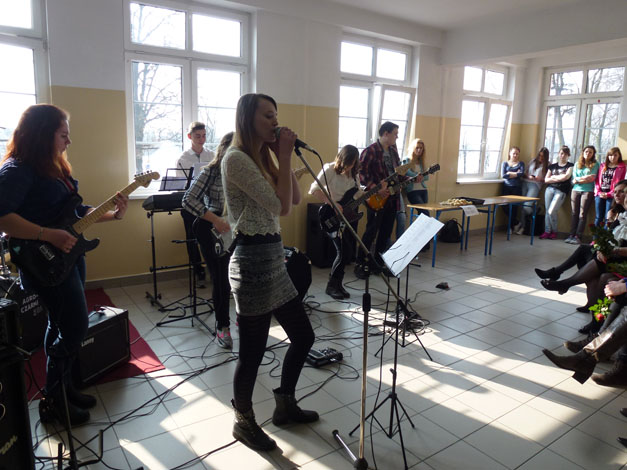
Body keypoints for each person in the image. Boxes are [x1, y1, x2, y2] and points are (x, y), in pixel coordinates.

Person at [0, 104, 129, 425]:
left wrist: (113, 214)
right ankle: (53, 400)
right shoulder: (17, 169)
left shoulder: (54, 168)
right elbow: (3, 218)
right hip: (42, 262)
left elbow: (75, 212)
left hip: (68, 256)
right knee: (75, 327)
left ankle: (63, 388)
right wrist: (48, 235)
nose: (69, 141)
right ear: (43, 134)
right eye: (63, 134)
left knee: (59, 325)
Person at [221, 93, 318, 452]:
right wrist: (285, 154)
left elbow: (294, 200)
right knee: (252, 354)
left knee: (303, 337)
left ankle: (285, 403)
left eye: (275, 115)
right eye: (267, 116)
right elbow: (279, 206)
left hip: (273, 262)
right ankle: (243, 422)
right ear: (248, 119)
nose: (275, 122)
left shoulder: (262, 157)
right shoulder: (236, 159)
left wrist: (280, 156)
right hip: (251, 266)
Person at [182, 132, 234, 349]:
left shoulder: (245, 172)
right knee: (221, 279)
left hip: (234, 228)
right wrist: (215, 220)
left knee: (238, 277)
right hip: (211, 228)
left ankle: (244, 319)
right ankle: (223, 327)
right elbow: (188, 199)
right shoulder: (211, 171)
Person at [309, 145, 361, 299]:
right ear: (341, 159)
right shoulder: (330, 169)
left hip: (347, 217)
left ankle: (337, 284)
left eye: (352, 163)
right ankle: (331, 286)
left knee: (348, 252)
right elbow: (313, 189)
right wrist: (332, 203)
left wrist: (377, 192)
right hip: (330, 215)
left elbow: (358, 194)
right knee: (343, 250)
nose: (349, 166)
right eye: (347, 162)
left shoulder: (355, 175)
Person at [354, 121, 404, 279]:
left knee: (385, 233)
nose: (397, 137)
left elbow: (397, 173)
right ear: (385, 133)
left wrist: (410, 179)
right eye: (395, 134)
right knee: (371, 231)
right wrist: (376, 188)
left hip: (392, 198)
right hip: (376, 199)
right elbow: (361, 174)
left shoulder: (394, 151)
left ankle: (377, 264)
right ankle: (361, 264)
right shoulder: (370, 151)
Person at [177, 122, 215, 288]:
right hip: (191, 203)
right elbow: (181, 185)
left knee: (211, 238)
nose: (201, 139)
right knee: (192, 239)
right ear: (190, 137)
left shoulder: (212, 155)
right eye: (198, 136)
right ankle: (198, 271)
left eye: (204, 135)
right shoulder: (183, 159)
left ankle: (214, 269)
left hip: (209, 203)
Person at [397, 138, 427, 244]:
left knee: (424, 216)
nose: (419, 150)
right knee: (425, 213)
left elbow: (427, 177)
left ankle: (423, 243)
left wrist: (421, 177)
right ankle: (415, 241)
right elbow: (405, 173)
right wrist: (416, 176)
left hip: (423, 190)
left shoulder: (422, 162)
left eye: (421, 148)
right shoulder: (407, 160)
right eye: (417, 148)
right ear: (413, 148)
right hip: (412, 191)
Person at [566, 145, 599, 244]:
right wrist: (583, 178)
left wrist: (578, 180)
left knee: (582, 214)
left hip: (587, 191)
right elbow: (574, 179)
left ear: (593, 154)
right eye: (586, 151)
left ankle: (578, 236)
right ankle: (571, 235)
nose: (588, 153)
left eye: (590, 152)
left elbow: (592, 178)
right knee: (574, 213)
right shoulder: (577, 164)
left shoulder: (595, 164)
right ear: (583, 152)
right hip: (575, 190)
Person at [540, 146, 574, 239]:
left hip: (561, 191)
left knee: (551, 211)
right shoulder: (552, 166)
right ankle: (547, 231)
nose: (563, 155)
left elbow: (566, 177)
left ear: (568, 155)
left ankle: (554, 231)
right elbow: (546, 180)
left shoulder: (570, 166)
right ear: (559, 154)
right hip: (549, 189)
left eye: (565, 154)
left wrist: (553, 177)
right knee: (547, 211)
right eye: (561, 153)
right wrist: (559, 178)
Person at [517, 147, 548, 234]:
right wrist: (528, 176)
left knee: (526, 206)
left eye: (543, 156)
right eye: (540, 155)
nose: (541, 158)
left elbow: (547, 179)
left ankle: (534, 212)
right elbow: (525, 172)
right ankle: (522, 225)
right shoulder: (533, 161)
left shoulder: (547, 165)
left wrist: (539, 179)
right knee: (522, 205)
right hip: (525, 182)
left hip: (535, 185)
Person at [595, 147, 626, 227]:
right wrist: (599, 192)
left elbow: (620, 183)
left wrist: (609, 194)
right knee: (598, 217)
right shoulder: (602, 165)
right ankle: (595, 235)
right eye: (611, 155)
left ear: (619, 156)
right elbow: (597, 180)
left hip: (612, 195)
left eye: (615, 155)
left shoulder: (622, 167)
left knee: (608, 217)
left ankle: (606, 235)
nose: (612, 157)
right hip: (600, 194)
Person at [501, 146, 525, 232]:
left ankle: (510, 227)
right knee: (504, 206)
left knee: (514, 208)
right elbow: (503, 175)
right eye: (513, 153)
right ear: (509, 153)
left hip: (516, 188)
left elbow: (521, 174)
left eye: (517, 154)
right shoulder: (505, 163)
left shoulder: (521, 163)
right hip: (506, 187)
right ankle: (516, 222)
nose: (515, 155)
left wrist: (509, 173)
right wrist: (515, 174)